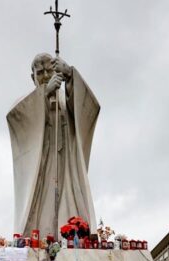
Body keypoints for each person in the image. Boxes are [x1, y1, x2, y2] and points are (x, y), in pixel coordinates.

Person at [7, 53, 100, 238]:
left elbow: (89, 108)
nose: (45, 76)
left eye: (49, 71)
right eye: (40, 72)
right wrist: (44, 94)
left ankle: (72, 232)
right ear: (33, 77)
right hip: (41, 168)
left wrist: (70, 75)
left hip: (66, 165)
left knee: (68, 200)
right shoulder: (26, 104)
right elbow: (15, 117)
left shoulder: (66, 104)